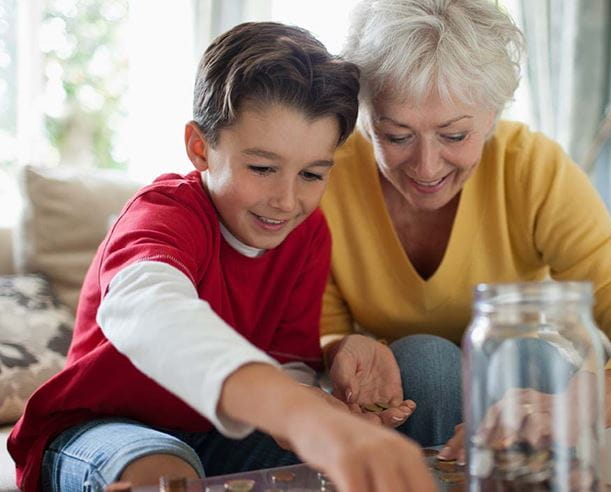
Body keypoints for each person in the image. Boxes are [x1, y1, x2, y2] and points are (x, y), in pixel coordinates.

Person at [8, 22, 436, 492]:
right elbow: (152, 310)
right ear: (200, 148)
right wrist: (291, 410)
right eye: (262, 168)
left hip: (214, 434)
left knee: (333, 468)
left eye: (312, 174)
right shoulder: (164, 214)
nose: (286, 200)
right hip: (103, 427)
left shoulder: (308, 234)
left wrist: (310, 400)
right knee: (163, 471)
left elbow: (286, 360)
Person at [320, 0, 611, 457]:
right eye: (397, 136)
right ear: (364, 117)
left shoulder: (533, 170)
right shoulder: (329, 176)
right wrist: (344, 349)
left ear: (493, 114)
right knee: (425, 362)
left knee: (525, 357)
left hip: (523, 374)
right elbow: (325, 331)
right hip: (415, 385)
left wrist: (581, 405)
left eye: (455, 135)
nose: (426, 166)